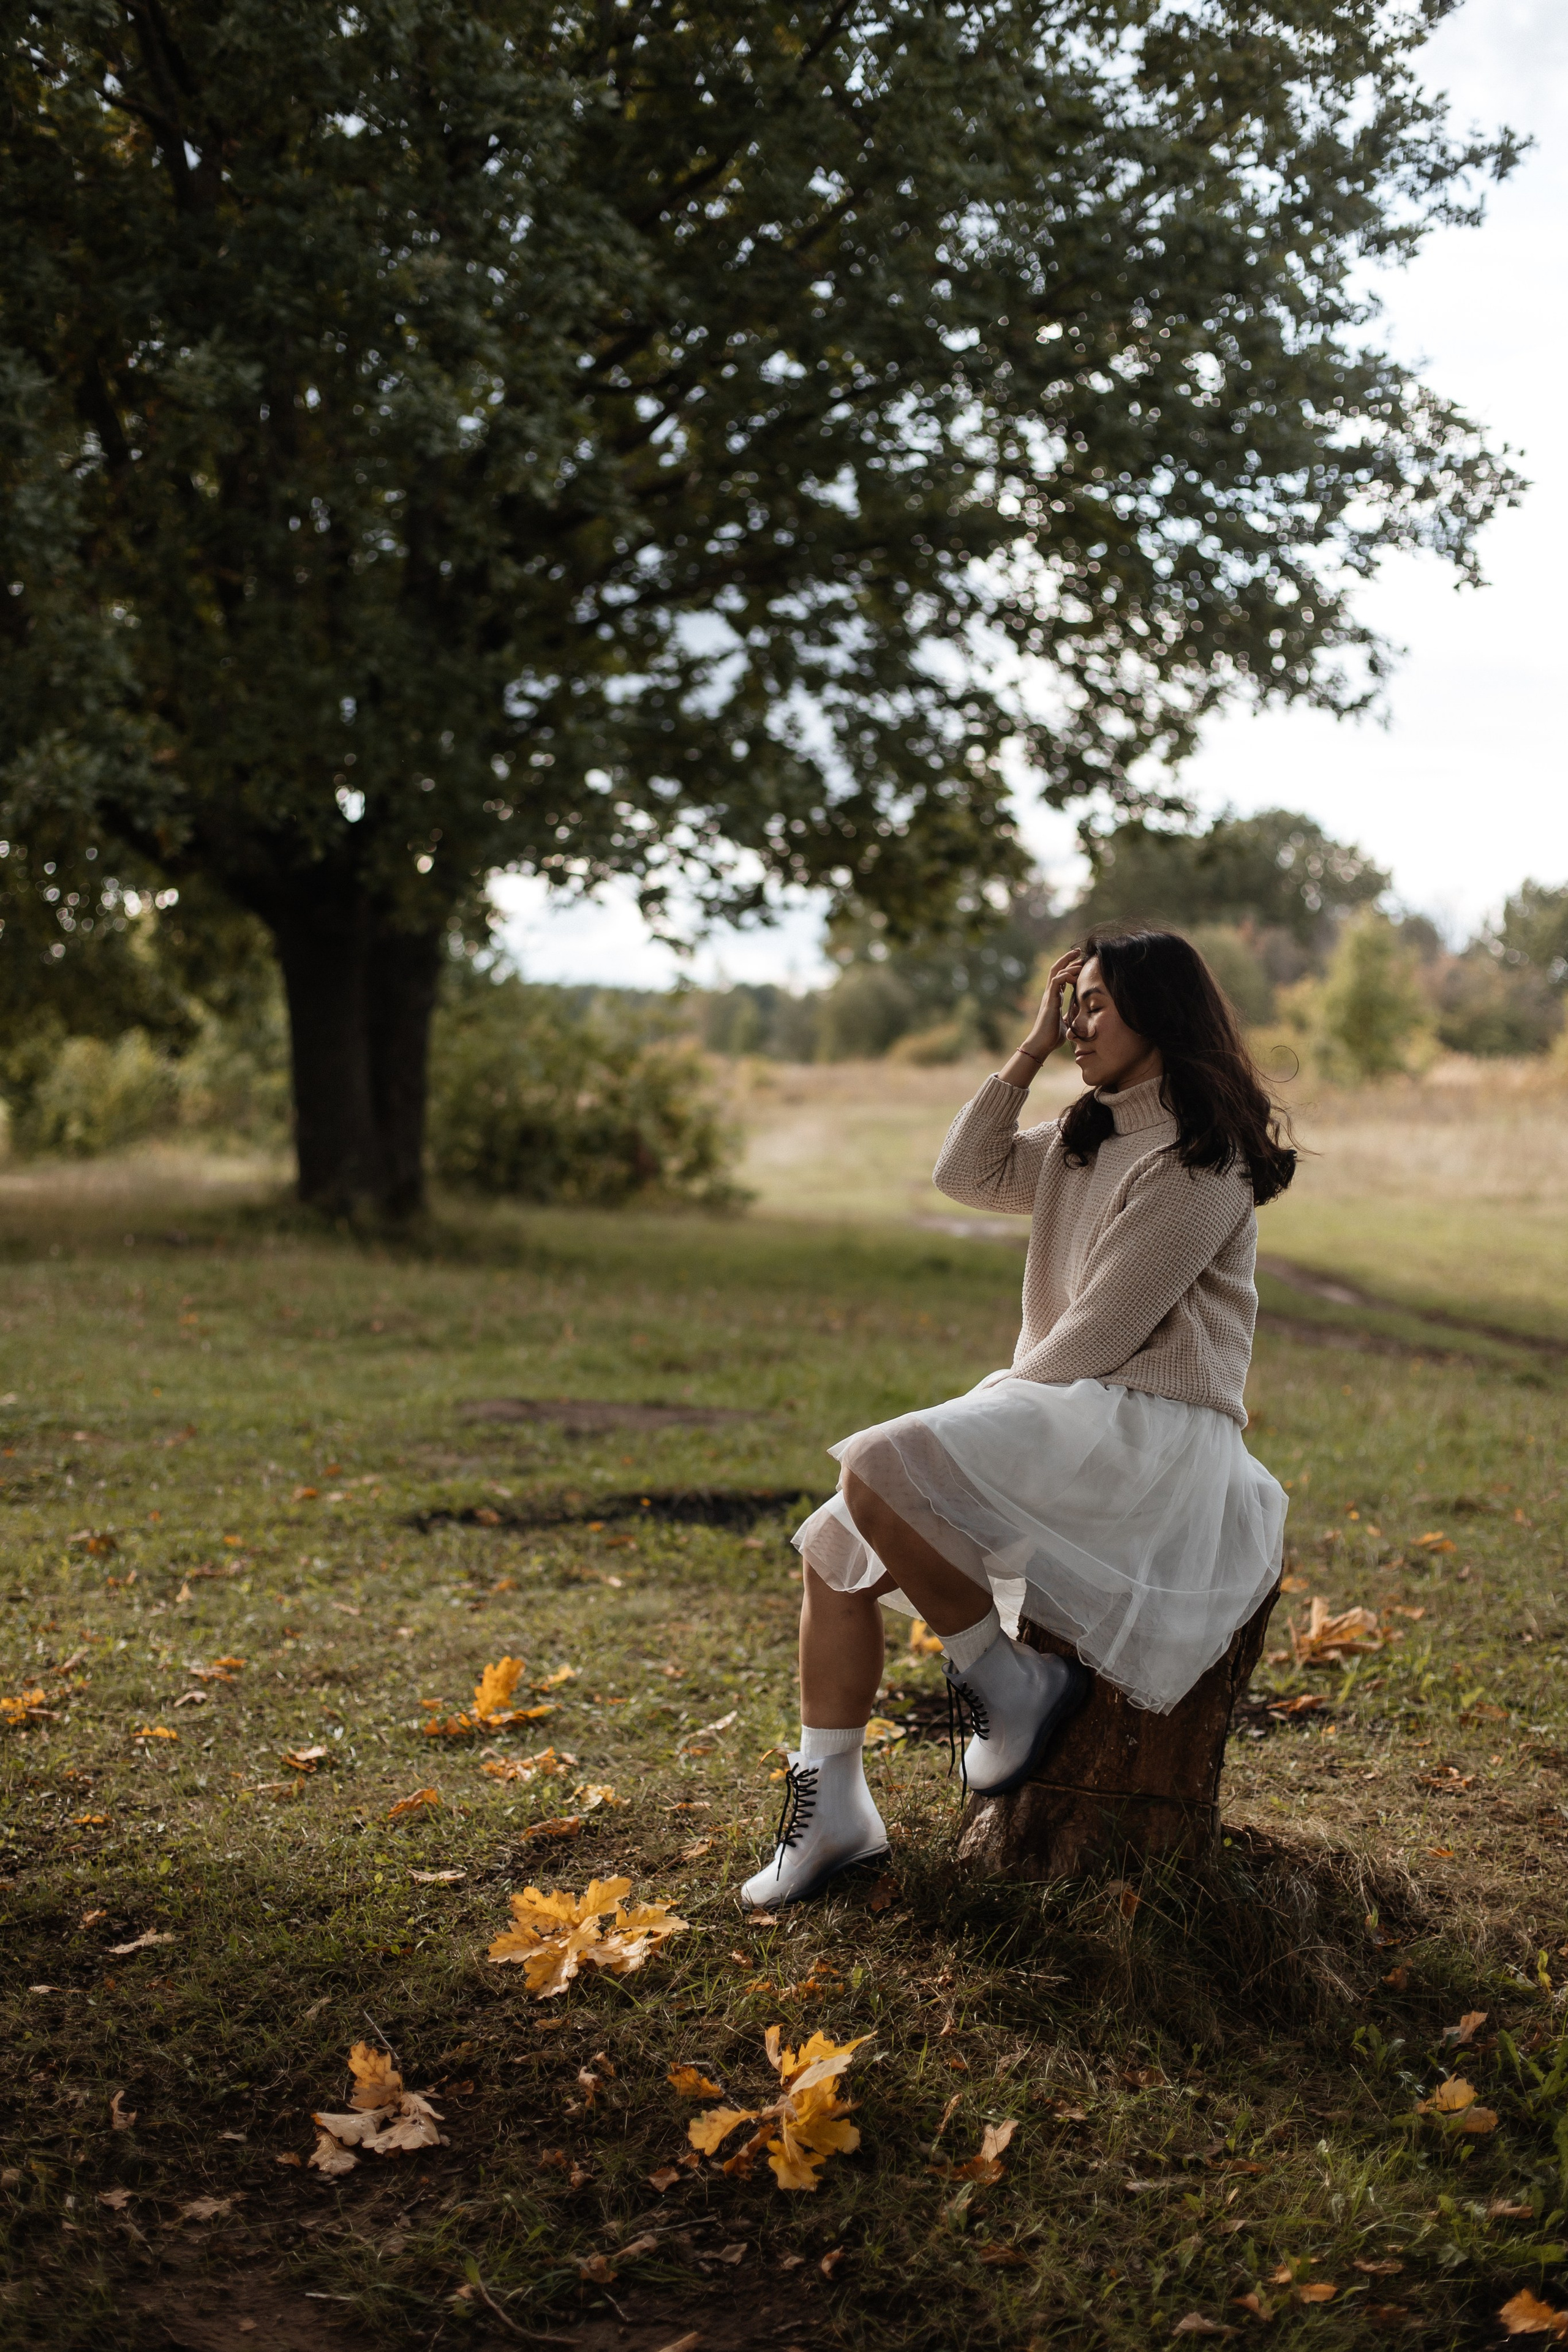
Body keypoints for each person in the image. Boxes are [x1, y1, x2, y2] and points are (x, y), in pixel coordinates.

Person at [742, 927, 1295, 1909]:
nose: (1076, 1023)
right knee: (834, 1548)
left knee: (874, 1466)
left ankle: (1008, 1684)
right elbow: (962, 1173)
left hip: (1152, 1428)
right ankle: (832, 1807)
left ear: (1158, 1015)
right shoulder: (1089, 1132)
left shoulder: (1202, 1159)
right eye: (1068, 1004)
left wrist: (963, 1432)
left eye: (1093, 1005)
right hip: (1071, 1404)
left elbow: (1103, 1333)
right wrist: (1031, 1049)